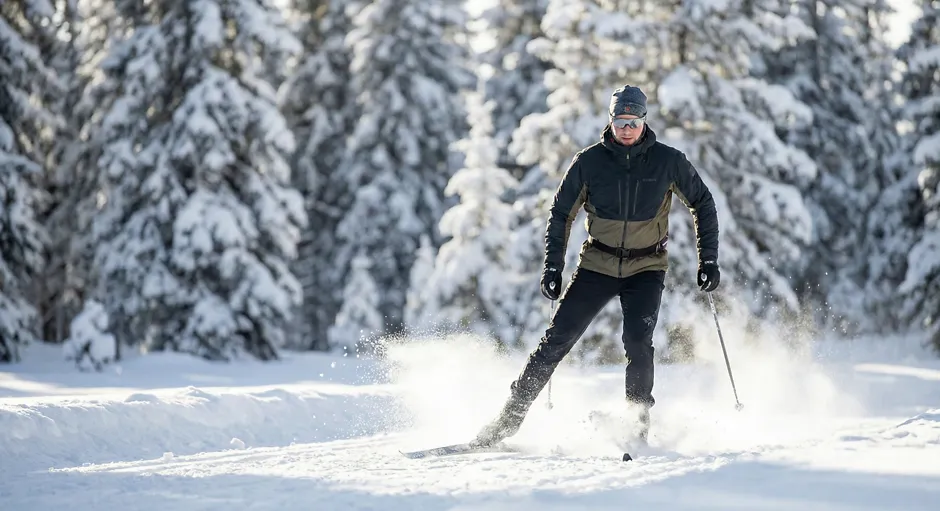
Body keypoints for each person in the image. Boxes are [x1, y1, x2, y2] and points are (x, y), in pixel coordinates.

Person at [471, 84, 720, 448]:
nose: (626, 128)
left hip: (646, 267)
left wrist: (708, 259)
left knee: (638, 341)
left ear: (644, 122)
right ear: (611, 120)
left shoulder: (669, 161)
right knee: (556, 340)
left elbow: (703, 203)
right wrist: (552, 267)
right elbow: (561, 214)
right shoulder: (589, 162)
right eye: (620, 121)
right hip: (597, 264)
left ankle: (637, 426)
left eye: (633, 121)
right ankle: (509, 419)